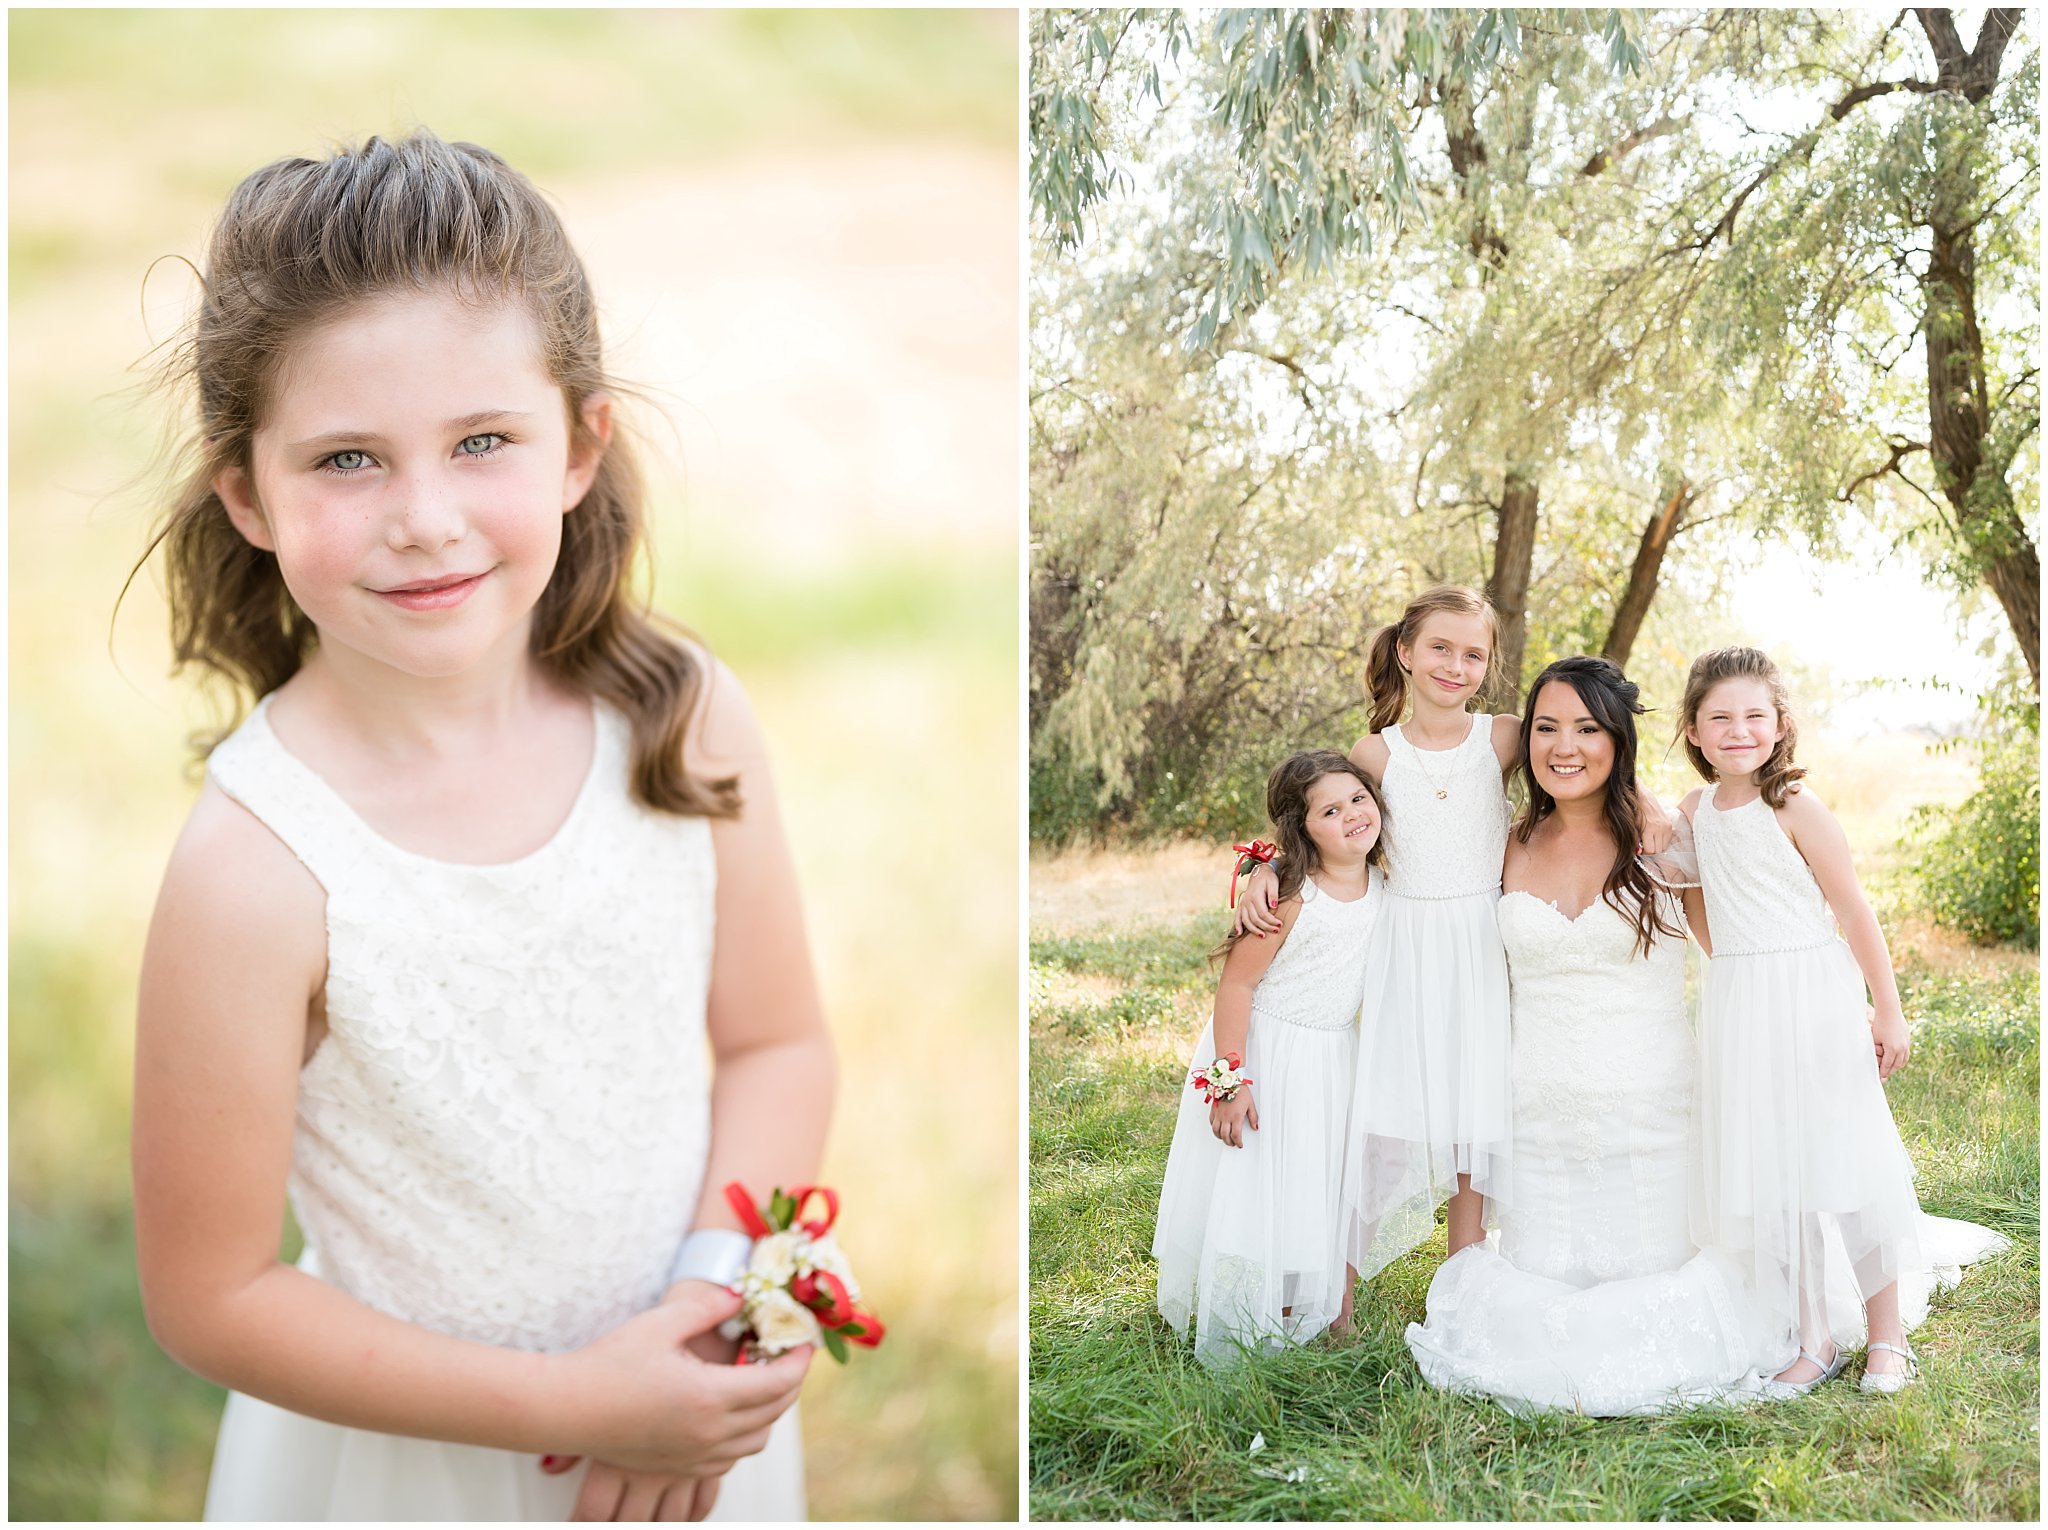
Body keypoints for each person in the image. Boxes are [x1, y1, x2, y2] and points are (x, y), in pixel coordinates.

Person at [128, 131, 830, 1521]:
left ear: (581, 440)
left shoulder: (683, 718)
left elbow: (778, 1040)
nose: (426, 519)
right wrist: (581, 1402)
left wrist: (705, 1304)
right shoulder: (256, 868)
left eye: (482, 441)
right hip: (417, 1465)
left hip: (681, 1409)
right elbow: (210, 1294)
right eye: (347, 459)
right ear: (248, 495)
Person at [1234, 589, 1672, 1287]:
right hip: (1404, 944)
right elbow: (1321, 822)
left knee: (1477, 1111)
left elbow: (1582, 750)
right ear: (1405, 653)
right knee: (1383, 1113)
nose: (1455, 666)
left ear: (1490, 665)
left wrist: (1643, 799)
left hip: (1482, 944)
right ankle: (1335, 1290)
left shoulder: (1500, 737)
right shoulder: (1375, 753)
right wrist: (1260, 866)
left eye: (1474, 654)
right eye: (1440, 648)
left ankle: (1466, 1279)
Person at [1403, 656, 1774, 1414]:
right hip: (1538, 1119)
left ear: (1618, 739)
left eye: (1587, 728)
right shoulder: (1501, 845)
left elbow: (1738, 947)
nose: (1563, 746)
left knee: (1663, 1276)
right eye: (1545, 727)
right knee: (1541, 1279)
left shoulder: (1663, 837)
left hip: (1652, 1118)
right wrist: (1278, 870)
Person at [1678, 646, 2006, 1397]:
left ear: (1781, 724)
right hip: (1740, 1003)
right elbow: (1700, 907)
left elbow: (1854, 909)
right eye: (1719, 717)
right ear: (1693, 731)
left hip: (1813, 996)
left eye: (1754, 716)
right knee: (1776, 1174)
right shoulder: (1694, 813)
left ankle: (1888, 1336)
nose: (1738, 731)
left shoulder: (1795, 804)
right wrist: (1738, 973)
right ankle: (1813, 1338)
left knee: (1845, 1162)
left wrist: (1886, 1008)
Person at [1154, 752, 1387, 1365]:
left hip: (1334, 1055)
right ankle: (1256, 1307)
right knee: (1262, 1179)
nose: (1352, 816)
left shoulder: (1386, 884)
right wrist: (1229, 1081)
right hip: (1270, 1054)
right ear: (1301, 830)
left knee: (1324, 1181)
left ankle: (1327, 1307)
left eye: (1358, 799)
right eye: (1330, 811)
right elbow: (1236, 987)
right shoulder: (1289, 895)